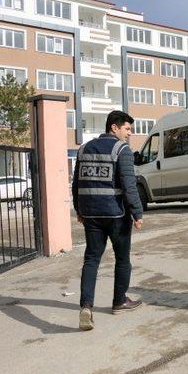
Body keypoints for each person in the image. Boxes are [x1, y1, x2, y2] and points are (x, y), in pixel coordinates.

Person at [72, 110, 144, 331]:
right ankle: (119, 301)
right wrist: (137, 213)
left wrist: (79, 209)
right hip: (116, 215)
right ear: (114, 127)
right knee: (122, 258)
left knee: (91, 259)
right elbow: (129, 184)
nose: (130, 134)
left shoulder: (83, 149)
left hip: (91, 214)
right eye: (127, 129)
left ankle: (86, 306)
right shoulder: (122, 150)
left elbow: (76, 184)